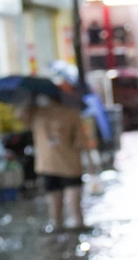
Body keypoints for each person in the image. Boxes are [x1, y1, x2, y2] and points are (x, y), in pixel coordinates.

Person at [29, 92, 97, 228]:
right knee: (76, 212)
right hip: (70, 166)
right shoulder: (71, 114)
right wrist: (90, 164)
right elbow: (81, 142)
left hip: (47, 165)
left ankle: (58, 239)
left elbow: (20, 118)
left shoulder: (36, 115)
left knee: (55, 214)